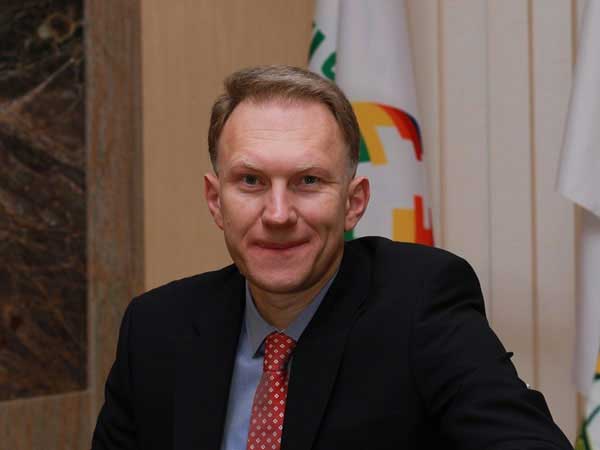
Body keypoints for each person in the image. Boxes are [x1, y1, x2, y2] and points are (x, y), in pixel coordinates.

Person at [92, 65, 573, 450]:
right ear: (216, 201)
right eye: (251, 181)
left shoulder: (421, 304)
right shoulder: (155, 328)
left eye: (308, 181)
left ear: (354, 202)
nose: (278, 214)